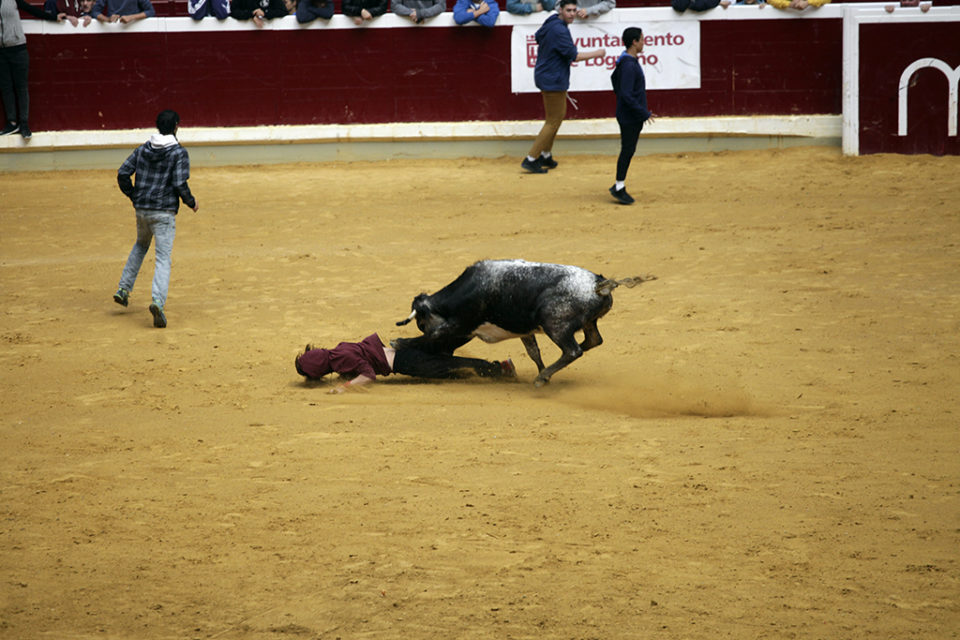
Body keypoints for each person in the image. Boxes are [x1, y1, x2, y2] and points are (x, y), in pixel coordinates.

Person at [113, 110, 199, 329]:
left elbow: (123, 173)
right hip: (163, 212)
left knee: (140, 245)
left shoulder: (143, 149)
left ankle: (123, 289)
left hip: (142, 210)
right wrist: (191, 202)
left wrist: (134, 196)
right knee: (162, 258)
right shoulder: (178, 153)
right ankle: (157, 301)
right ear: (177, 126)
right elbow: (180, 183)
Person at [521, 0, 604, 174]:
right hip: (553, 79)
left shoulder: (552, 21)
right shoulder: (560, 30)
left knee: (554, 118)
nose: (572, 14)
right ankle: (532, 158)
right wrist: (598, 53)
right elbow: (574, 56)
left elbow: (537, 37)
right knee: (553, 120)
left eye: (574, 10)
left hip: (547, 75)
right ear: (561, 9)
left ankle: (545, 154)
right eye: (569, 10)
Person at [295, 334, 516, 393]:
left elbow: (368, 375)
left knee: (454, 367)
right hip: (403, 349)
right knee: (449, 344)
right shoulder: (339, 349)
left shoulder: (341, 360)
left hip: (408, 362)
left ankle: (501, 368)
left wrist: (346, 388)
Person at [0, 0, 57, 141]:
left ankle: (24, 124)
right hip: (0, 52)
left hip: (18, 48)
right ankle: (12, 123)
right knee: (6, 88)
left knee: (21, 87)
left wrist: (54, 17)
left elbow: (32, 10)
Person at [609, 26, 652, 205]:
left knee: (628, 149)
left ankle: (619, 185)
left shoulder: (626, 61)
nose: (643, 42)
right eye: (641, 39)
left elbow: (614, 80)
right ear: (634, 42)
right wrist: (642, 112)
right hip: (630, 116)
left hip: (629, 114)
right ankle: (619, 186)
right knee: (627, 150)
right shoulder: (628, 64)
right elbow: (626, 94)